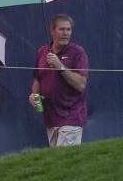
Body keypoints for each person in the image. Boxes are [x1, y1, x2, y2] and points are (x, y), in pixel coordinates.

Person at [29, 13, 89, 146]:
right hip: (50, 117)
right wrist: (34, 95)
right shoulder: (42, 52)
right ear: (52, 31)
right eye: (62, 29)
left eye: (69, 29)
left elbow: (81, 84)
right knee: (58, 162)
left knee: (65, 160)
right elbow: (37, 80)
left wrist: (60, 66)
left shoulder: (78, 52)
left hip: (72, 116)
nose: (66, 33)